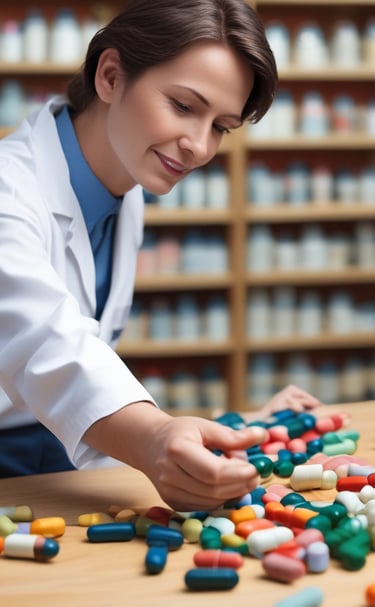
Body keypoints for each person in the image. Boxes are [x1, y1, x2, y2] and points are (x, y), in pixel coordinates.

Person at [0, 0, 320, 511]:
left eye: (221, 126)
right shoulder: (8, 194)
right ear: (110, 76)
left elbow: (87, 367)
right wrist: (153, 439)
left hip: (59, 460)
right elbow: (46, 345)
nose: (198, 146)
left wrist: (236, 430)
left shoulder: (124, 188)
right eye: (184, 106)